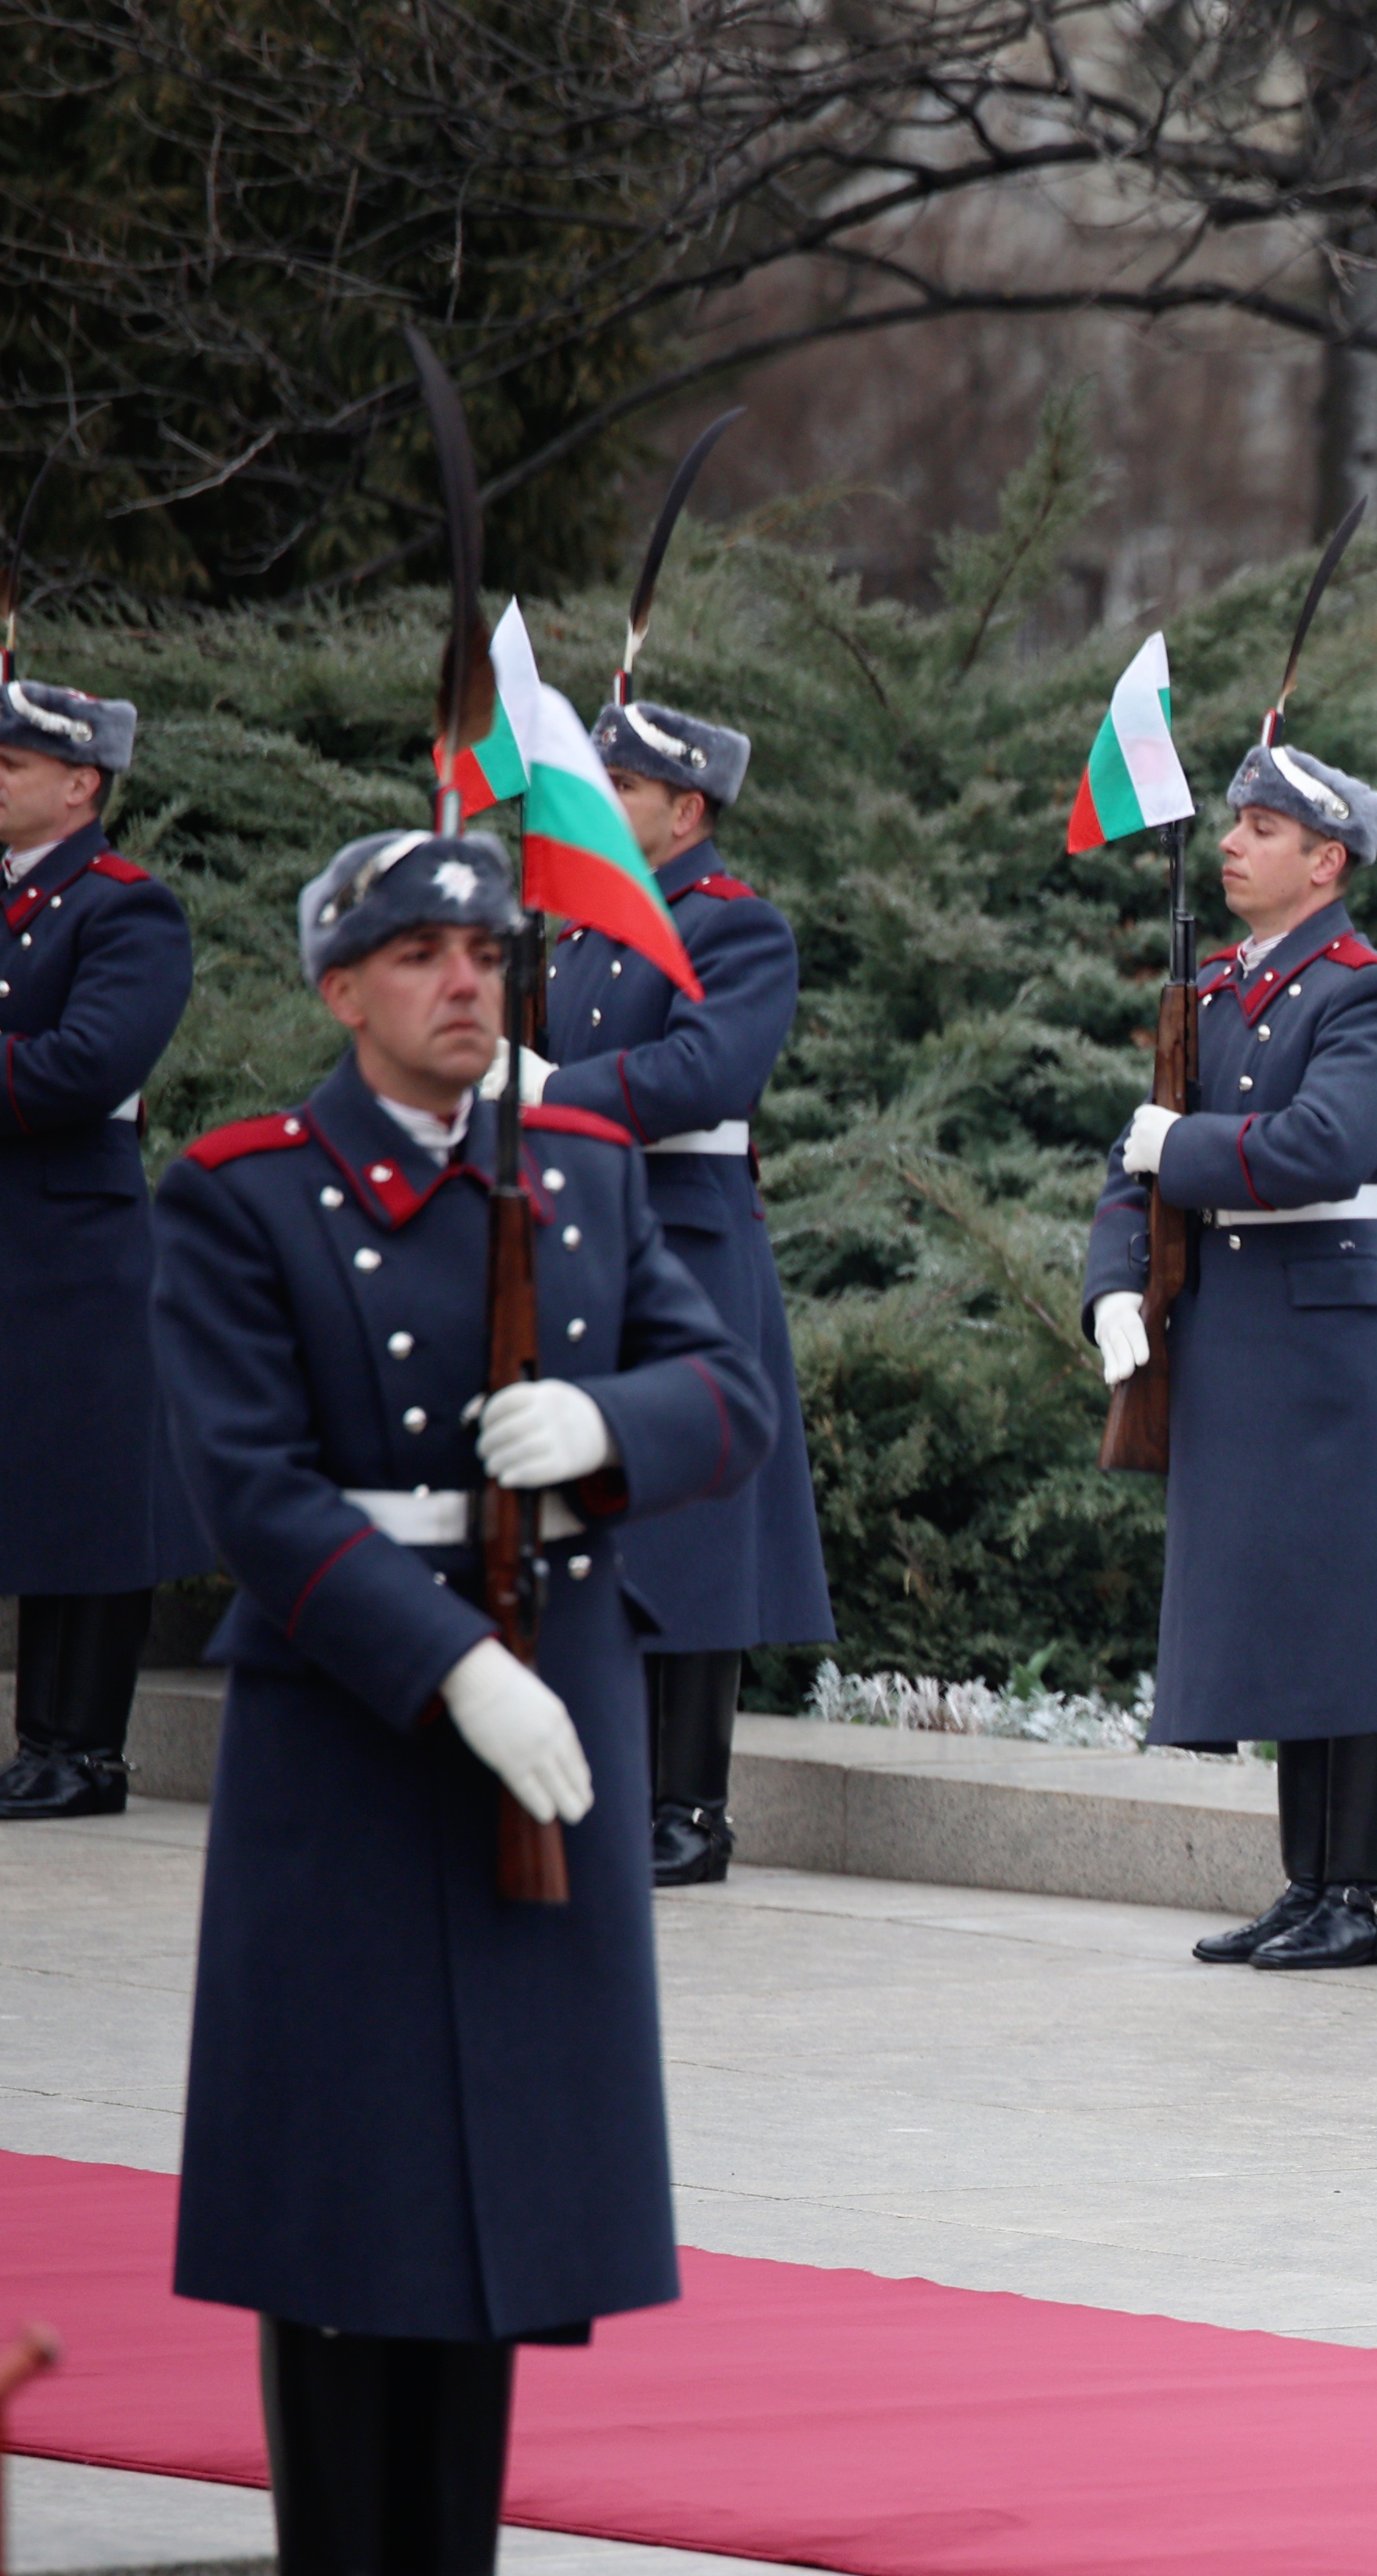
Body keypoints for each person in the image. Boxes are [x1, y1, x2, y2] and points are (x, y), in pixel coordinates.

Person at [152, 826, 769, 2576]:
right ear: (340, 991)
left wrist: (605, 1426)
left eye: (488, 950)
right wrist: (450, 1672)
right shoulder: (242, 1195)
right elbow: (248, 1495)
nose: (466, 983)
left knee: (496, 2164)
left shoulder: (574, 1173)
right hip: (355, 1720)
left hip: (551, 1696)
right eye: (419, 955)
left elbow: (723, 1391)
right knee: (345, 2177)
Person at [1086, 741, 1377, 1972]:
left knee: (1354, 1618)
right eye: (1237, 825)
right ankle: (1313, 1883)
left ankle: (1372, 1893)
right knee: (1292, 1618)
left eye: (1262, 829)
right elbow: (1126, 1168)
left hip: (1323, 1337)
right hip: (1233, 1337)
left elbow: (1324, 1146)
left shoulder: (1367, 992)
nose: (1234, 844)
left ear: (1326, 861)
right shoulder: (1209, 988)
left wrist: (1178, 1147)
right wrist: (1111, 1290)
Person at [0, 670, 206, 1819]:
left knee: (93, 1499)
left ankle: (91, 1754)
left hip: (76, 1238)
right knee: (31, 1494)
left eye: (13, 762)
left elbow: (87, 1065)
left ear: (82, 783)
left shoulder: (128, 909)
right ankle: (39, 1744)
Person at [533, 698, 833, 1887]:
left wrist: (552, 1085)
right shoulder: (582, 932)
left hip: (693, 1242)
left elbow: (706, 1070)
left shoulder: (732, 927)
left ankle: (690, 1809)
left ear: (686, 808)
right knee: (609, 1511)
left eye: (620, 787)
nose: (592, 805)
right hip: (591, 1239)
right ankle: (615, 1787)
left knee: (698, 1530)